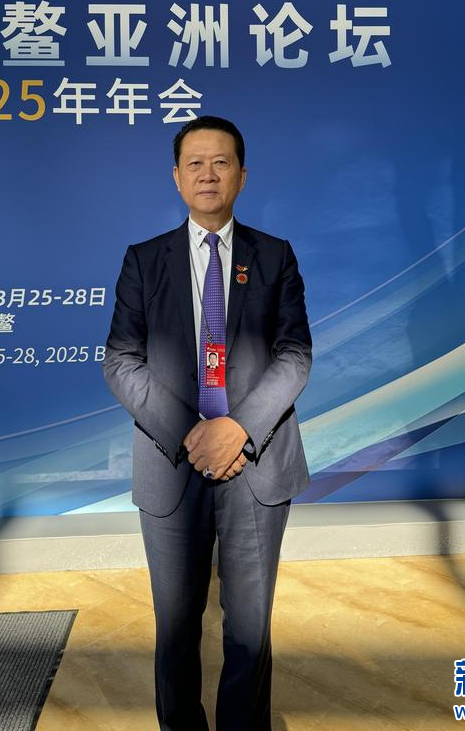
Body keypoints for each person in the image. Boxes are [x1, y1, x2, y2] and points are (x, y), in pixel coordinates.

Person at [103, 115, 312, 731]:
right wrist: (192, 433)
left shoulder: (274, 256)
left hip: (255, 463)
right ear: (176, 177)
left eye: (221, 162)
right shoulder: (145, 261)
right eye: (195, 163)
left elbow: (295, 355)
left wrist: (237, 428)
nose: (208, 174)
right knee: (175, 629)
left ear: (243, 176)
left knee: (249, 630)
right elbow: (121, 360)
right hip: (172, 466)